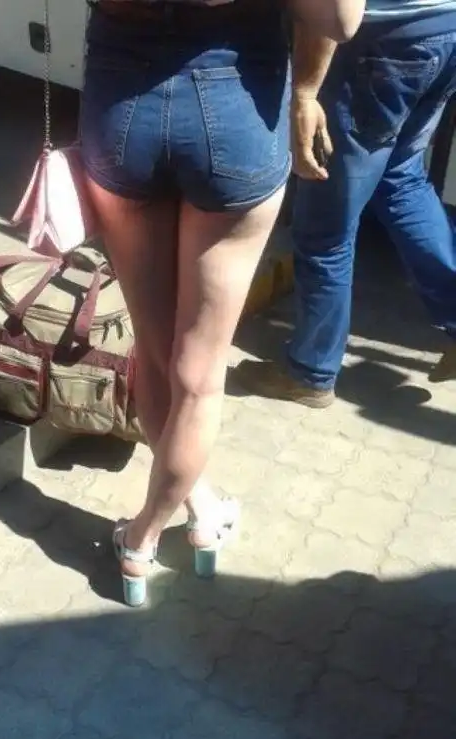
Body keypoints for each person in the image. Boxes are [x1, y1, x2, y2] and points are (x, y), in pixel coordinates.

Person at [80, 0, 365, 606]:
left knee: (154, 350)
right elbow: (341, 19)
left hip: (120, 101)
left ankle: (199, 507)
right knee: (199, 376)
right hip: (237, 107)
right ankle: (145, 537)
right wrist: (306, 91)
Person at [241, 0, 456, 409]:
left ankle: (310, 371)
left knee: (326, 226)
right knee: (401, 176)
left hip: (381, 42)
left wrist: (305, 93)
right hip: (445, 27)